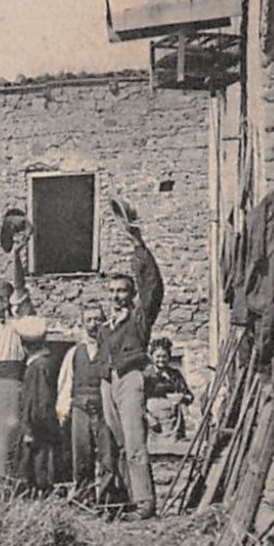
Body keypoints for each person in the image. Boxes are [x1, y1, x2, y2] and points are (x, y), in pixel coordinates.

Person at [98, 200, 165, 520]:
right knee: (120, 444)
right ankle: (127, 499)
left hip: (130, 380)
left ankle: (145, 505)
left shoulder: (139, 317)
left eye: (122, 290)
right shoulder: (106, 326)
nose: (116, 296)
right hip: (108, 382)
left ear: (131, 294)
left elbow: (153, 287)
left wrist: (138, 244)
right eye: (112, 291)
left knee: (136, 444)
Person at [0, 221, 35, 479]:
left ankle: (7, 485)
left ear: (6, 302)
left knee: (7, 437)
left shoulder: (18, 324)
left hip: (11, 386)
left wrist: (16, 257)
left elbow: (20, 291)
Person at [55, 304, 118, 507]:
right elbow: (65, 384)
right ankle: (84, 498)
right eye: (89, 320)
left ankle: (107, 500)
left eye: (97, 320)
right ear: (83, 324)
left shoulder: (111, 351)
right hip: (80, 408)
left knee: (107, 455)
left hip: (104, 408)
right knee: (82, 455)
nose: (93, 325)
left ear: (104, 321)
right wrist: (63, 411)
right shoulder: (74, 352)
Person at [16, 316, 62, 496]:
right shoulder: (43, 364)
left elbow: (39, 401)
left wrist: (31, 427)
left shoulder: (38, 366)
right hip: (38, 424)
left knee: (38, 468)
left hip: (37, 427)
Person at [144, 337, 194, 440]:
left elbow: (190, 396)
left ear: (169, 357)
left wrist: (182, 397)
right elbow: (137, 401)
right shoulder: (146, 376)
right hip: (154, 424)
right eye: (158, 356)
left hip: (175, 423)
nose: (161, 360)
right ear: (151, 356)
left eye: (164, 356)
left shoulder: (175, 374)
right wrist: (148, 417)